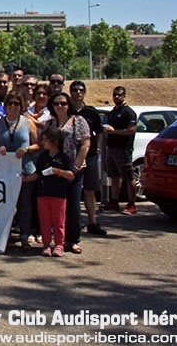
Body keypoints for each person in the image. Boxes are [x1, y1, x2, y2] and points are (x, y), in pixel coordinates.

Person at [48, 91, 91, 254]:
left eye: (63, 103)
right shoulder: (51, 123)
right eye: (56, 103)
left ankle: (73, 240)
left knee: (73, 205)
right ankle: (60, 239)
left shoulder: (78, 121)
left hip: (74, 169)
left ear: (69, 105)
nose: (60, 106)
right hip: (56, 169)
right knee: (59, 207)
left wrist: (75, 167)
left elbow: (85, 144)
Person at [0, 90, 39, 249]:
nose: (13, 106)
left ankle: (25, 236)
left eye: (16, 104)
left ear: (21, 106)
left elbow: (38, 144)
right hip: (3, 171)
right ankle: (1, 237)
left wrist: (27, 149)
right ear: (5, 106)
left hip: (25, 170)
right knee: (3, 205)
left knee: (24, 204)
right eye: (10, 103)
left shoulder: (28, 123)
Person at [28, 127, 75, 257]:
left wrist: (57, 171)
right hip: (42, 194)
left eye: (45, 140)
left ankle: (59, 244)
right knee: (45, 220)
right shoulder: (43, 157)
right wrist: (24, 179)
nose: (43, 142)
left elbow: (71, 175)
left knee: (59, 221)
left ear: (54, 141)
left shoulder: (64, 158)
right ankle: (46, 244)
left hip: (58, 194)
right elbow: (37, 174)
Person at [69, 80, 107, 236]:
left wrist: (98, 147)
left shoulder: (91, 112)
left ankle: (93, 221)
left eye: (81, 90)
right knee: (72, 192)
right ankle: (74, 222)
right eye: (75, 90)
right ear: (71, 92)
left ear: (84, 92)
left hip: (90, 155)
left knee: (90, 190)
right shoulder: (67, 109)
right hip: (72, 156)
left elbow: (99, 131)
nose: (78, 92)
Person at [103, 86, 138, 215]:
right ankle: (114, 201)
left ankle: (131, 204)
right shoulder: (113, 112)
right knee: (114, 176)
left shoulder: (128, 112)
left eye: (119, 95)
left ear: (124, 96)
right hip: (111, 147)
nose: (116, 97)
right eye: (115, 95)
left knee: (128, 176)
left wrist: (114, 132)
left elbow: (131, 130)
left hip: (123, 148)